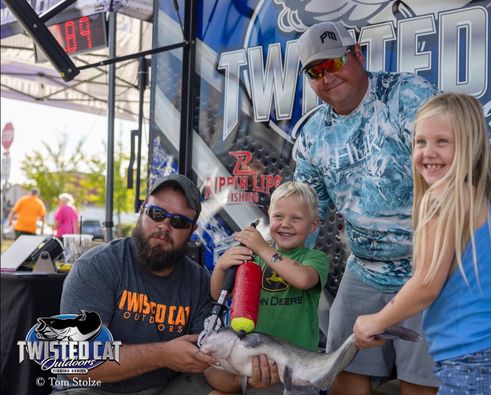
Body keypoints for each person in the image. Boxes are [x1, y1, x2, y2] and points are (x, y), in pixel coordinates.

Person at [294, 21, 440, 395]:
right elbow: (307, 211)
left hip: (427, 267)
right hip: (364, 271)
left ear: (358, 54)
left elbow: (453, 174)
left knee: (420, 385)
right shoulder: (312, 134)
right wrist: (266, 250)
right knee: (343, 377)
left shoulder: (408, 96)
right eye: (315, 71)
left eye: (334, 61)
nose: (327, 77)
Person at [353, 93, 491, 394]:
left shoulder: (444, 197)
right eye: (420, 142)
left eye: (442, 142)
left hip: (473, 365)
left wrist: (377, 320)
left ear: (469, 146)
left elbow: (425, 285)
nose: (428, 152)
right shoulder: (472, 196)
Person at [54, 174, 218, 394]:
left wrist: (249, 373)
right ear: (142, 211)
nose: (164, 226)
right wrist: (164, 354)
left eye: (179, 222)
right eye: (157, 214)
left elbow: (210, 366)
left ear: (192, 230)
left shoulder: (199, 281)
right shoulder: (97, 266)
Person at [204, 181, 329, 394]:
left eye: (296, 218)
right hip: (254, 364)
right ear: (269, 216)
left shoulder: (313, 258)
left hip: (297, 367)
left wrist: (262, 248)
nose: (286, 224)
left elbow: (303, 279)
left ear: (313, 224)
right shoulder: (254, 260)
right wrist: (222, 267)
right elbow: (220, 295)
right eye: (279, 216)